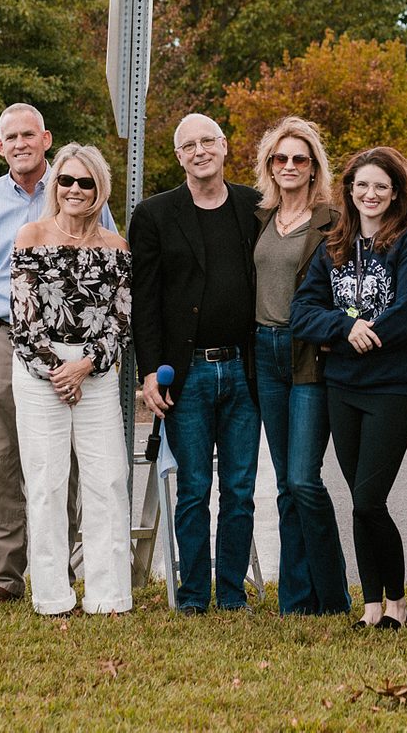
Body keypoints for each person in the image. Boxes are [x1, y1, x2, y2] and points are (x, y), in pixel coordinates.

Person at [0, 103, 112, 607]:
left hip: (66, 345)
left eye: (28, 135)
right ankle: (5, 576)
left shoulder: (79, 188)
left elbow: (105, 267)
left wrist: (88, 353)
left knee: (60, 460)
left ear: (46, 139)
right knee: (0, 459)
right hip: (0, 338)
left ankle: (55, 571)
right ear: (0, 147)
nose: (19, 143)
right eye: (9, 137)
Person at [290, 146, 407, 630]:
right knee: (358, 498)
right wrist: (342, 327)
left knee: (371, 498)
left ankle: (398, 600)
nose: (370, 194)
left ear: (395, 194)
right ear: (349, 191)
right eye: (362, 185)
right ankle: (372, 605)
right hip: (342, 386)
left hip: (392, 387)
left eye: (381, 187)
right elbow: (302, 311)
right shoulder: (333, 244)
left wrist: (361, 336)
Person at [132, 113, 262, 613]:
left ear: (225, 146)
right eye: (189, 145)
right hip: (185, 375)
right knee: (191, 489)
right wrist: (149, 371)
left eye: (209, 141)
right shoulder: (155, 215)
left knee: (240, 488)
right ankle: (192, 596)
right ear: (179, 156)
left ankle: (231, 593)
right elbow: (143, 301)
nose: (200, 150)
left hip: (244, 372)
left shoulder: (255, 206)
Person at [9, 143, 133, 616]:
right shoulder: (30, 236)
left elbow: (121, 322)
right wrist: (58, 371)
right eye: (66, 181)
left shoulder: (116, 248)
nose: (75, 190)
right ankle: (53, 596)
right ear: (54, 186)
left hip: (96, 373)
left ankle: (108, 595)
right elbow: (24, 319)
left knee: (107, 482)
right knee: (47, 483)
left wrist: (86, 365)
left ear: (99, 189)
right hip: (41, 373)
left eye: (85, 182)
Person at [249, 115, 348, 616]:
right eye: (280, 158)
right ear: (270, 166)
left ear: (313, 169)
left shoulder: (332, 221)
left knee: (306, 479)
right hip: (264, 352)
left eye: (299, 159)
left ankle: (333, 595)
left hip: (309, 353)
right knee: (285, 482)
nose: (289, 166)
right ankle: (296, 600)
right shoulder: (260, 217)